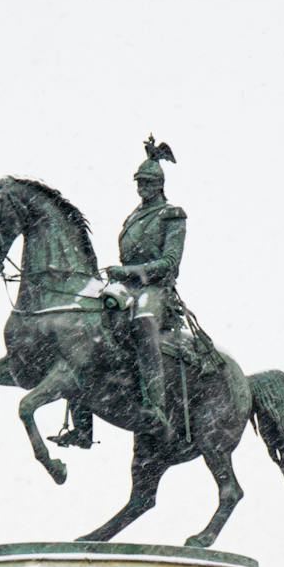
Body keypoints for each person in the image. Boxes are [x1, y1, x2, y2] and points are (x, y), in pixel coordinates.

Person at [105, 135, 187, 440]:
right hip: (127, 288)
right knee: (86, 325)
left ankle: (156, 406)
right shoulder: (133, 216)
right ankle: (81, 424)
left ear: (160, 185)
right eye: (139, 182)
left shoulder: (172, 215)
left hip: (155, 290)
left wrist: (130, 271)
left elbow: (169, 263)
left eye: (148, 182)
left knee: (143, 324)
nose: (142, 187)